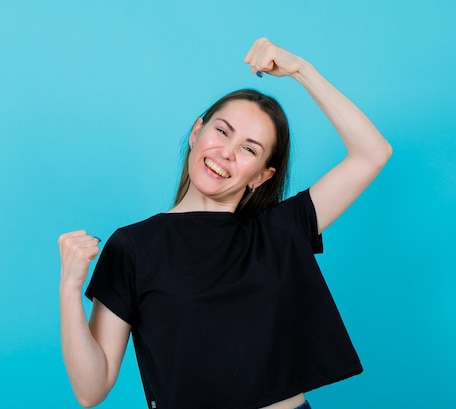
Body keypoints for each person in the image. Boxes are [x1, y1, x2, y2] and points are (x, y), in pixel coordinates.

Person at [58, 37, 392, 409]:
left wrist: (301, 70)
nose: (226, 153)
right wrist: (70, 289)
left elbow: (372, 153)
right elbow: (92, 390)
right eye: (222, 131)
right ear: (196, 132)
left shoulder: (281, 228)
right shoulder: (133, 246)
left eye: (249, 149)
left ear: (261, 176)